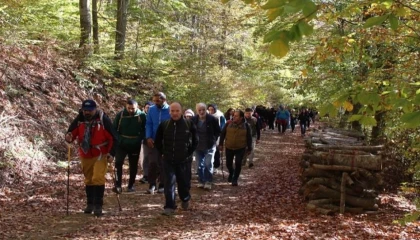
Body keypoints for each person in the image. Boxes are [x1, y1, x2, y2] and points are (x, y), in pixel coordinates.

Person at [65, 99, 117, 217]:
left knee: (98, 177)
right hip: (85, 153)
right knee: (88, 179)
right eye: (85, 110)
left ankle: (98, 205)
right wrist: (68, 136)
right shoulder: (80, 119)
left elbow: (114, 137)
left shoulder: (103, 120)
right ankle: (90, 204)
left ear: (95, 109)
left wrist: (111, 153)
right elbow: (71, 133)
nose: (87, 112)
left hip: (101, 153)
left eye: (89, 110)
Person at [154, 102, 198, 215]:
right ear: (169, 112)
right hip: (168, 160)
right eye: (172, 111)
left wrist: (188, 153)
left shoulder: (189, 124)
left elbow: (196, 140)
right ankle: (169, 206)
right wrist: (162, 153)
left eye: (177, 111)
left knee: (183, 183)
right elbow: (157, 141)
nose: (174, 113)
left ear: (181, 111)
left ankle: (185, 198)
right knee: (169, 183)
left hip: (184, 160)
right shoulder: (164, 125)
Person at [112, 99, 146, 193]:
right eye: (129, 108)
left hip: (135, 144)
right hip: (122, 144)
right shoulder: (121, 115)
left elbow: (145, 129)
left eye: (133, 108)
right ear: (126, 107)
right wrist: (119, 139)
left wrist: (139, 139)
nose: (131, 110)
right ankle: (118, 185)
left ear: (137, 107)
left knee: (133, 165)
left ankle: (131, 185)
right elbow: (114, 129)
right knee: (118, 163)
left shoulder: (142, 115)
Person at [219, 110, 252, 186]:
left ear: (241, 117)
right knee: (228, 164)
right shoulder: (228, 124)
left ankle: (235, 179)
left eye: (236, 116)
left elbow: (249, 138)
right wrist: (221, 144)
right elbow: (222, 134)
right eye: (234, 115)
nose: (234, 117)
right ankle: (231, 172)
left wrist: (249, 148)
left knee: (238, 163)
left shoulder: (246, 126)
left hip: (240, 148)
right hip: (229, 147)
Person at [145, 92, 170, 194]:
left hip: (166, 141)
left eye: (157, 101)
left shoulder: (169, 109)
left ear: (164, 100)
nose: (155, 102)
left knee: (164, 162)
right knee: (153, 162)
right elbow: (149, 124)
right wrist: (148, 137)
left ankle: (162, 184)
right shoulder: (151, 109)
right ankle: (152, 184)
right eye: (154, 100)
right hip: (154, 140)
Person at [191, 103, 221, 190]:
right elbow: (190, 132)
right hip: (198, 146)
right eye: (199, 110)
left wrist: (214, 139)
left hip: (209, 145)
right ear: (197, 111)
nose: (201, 111)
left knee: (208, 163)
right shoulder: (193, 120)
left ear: (206, 110)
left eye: (203, 109)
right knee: (199, 165)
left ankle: (208, 181)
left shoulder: (212, 119)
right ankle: (201, 181)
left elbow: (218, 131)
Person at [207, 104, 226, 171]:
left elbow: (223, 126)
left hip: (217, 136)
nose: (210, 111)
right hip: (208, 136)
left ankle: (215, 166)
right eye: (209, 109)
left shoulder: (220, 116)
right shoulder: (207, 115)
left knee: (216, 151)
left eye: (212, 109)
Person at [140, 101, 153, 184]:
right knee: (146, 158)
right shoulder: (141, 116)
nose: (148, 109)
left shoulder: (154, 115)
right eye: (147, 107)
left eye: (149, 107)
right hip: (145, 140)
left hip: (155, 139)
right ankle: (146, 175)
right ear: (144, 108)